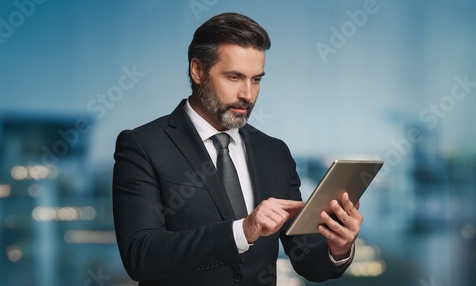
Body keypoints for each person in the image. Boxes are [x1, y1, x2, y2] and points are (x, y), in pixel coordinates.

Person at [112, 12, 362, 286]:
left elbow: (307, 261)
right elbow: (140, 255)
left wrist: (338, 248)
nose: (248, 94)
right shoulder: (144, 145)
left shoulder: (275, 153)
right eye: (234, 77)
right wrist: (242, 230)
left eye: (256, 79)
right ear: (197, 70)